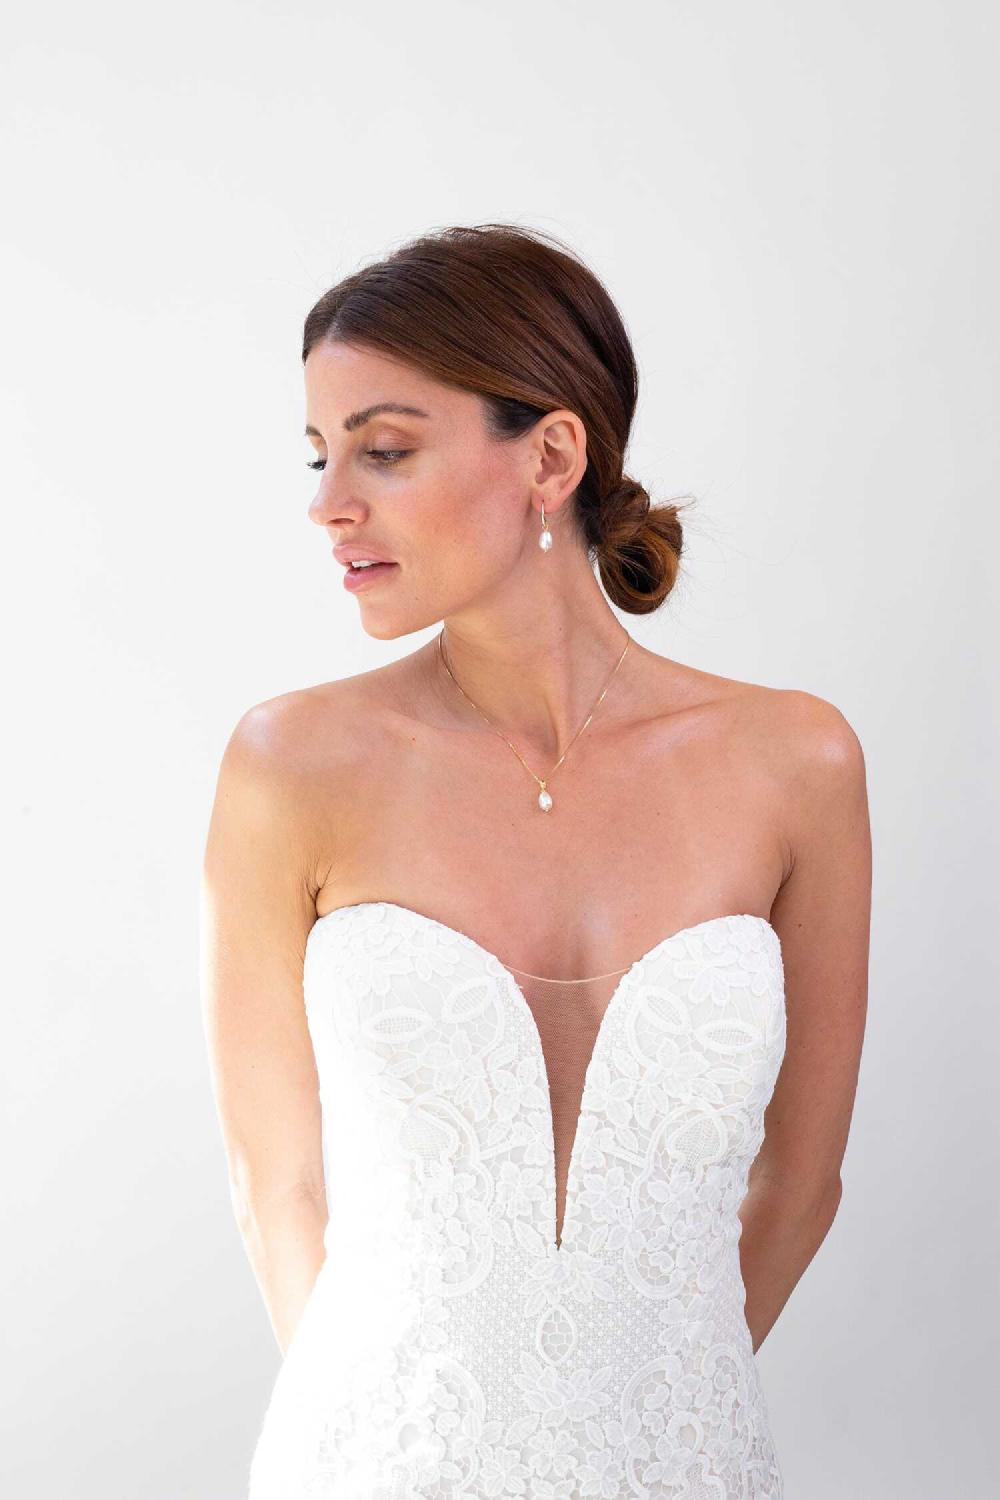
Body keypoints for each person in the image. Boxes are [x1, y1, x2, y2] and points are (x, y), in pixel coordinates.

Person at [200, 222, 871, 1500]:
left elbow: (802, 1183)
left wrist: (646, 1419)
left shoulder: (797, 764)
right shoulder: (291, 766)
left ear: (551, 456)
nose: (329, 503)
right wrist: (399, 1435)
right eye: (321, 453)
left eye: (384, 450)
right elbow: (274, 1184)